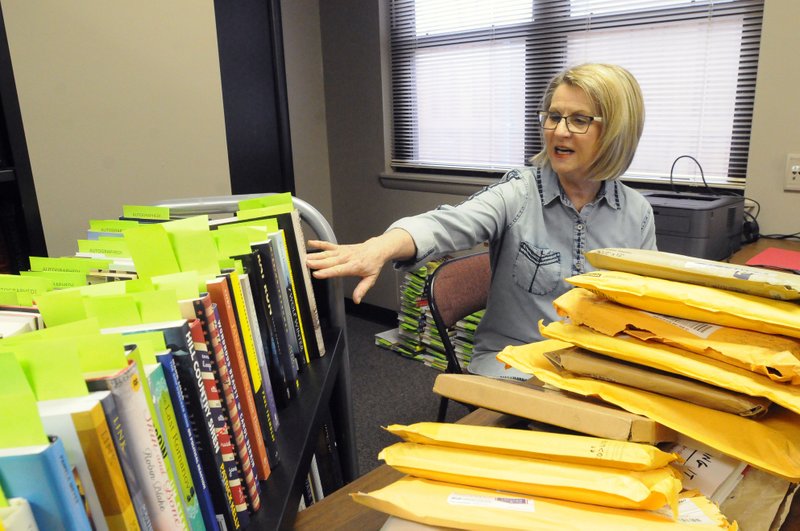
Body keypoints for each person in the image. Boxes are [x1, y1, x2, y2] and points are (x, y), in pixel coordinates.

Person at [306, 63, 656, 380]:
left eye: (579, 120)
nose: (559, 131)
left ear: (616, 131)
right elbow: (447, 224)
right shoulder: (518, 194)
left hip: (598, 365)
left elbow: (648, 302)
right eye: (553, 116)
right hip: (515, 363)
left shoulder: (637, 213)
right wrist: (381, 246)